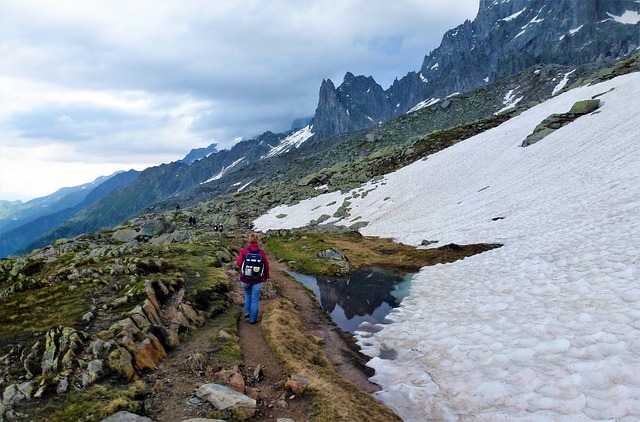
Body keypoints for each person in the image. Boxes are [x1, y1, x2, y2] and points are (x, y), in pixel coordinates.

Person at [236, 233, 270, 324]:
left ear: (249, 240)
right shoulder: (261, 253)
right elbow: (266, 267)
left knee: (247, 294)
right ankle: (253, 319)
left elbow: (238, 264)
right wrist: (266, 277)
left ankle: (247, 312)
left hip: (245, 279)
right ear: (258, 241)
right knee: (255, 299)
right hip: (258, 280)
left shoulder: (244, 251)